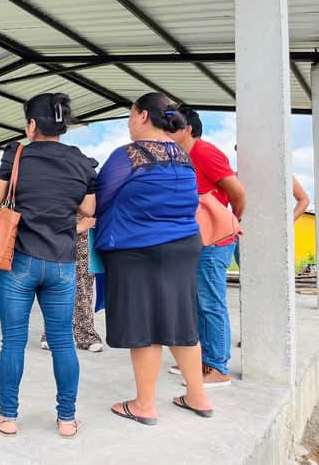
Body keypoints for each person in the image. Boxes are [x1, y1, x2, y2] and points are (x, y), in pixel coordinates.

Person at [93, 92, 211, 426]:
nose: (130, 123)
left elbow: (100, 200)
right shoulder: (182, 155)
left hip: (138, 247)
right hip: (184, 245)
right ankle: (198, 396)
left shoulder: (128, 155)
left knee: (144, 325)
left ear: (143, 115)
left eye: (131, 115)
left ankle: (144, 405)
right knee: (181, 320)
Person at [0, 93, 96, 439]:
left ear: (31, 125)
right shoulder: (80, 161)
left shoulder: (17, 154)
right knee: (63, 342)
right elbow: (89, 209)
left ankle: (7, 418)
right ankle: (67, 419)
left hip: (20, 262)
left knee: (13, 342)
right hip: (61, 264)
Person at [170, 107, 247, 388]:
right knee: (197, 302)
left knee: (211, 303)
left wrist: (230, 221)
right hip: (194, 240)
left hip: (214, 241)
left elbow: (238, 192)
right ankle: (201, 360)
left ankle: (217, 367)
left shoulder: (205, 152)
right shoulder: (181, 156)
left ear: (188, 129)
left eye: (172, 126)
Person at [40, 215, 104, 353]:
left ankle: (85, 334)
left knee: (83, 286)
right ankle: (51, 333)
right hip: (55, 228)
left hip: (83, 229)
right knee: (54, 282)